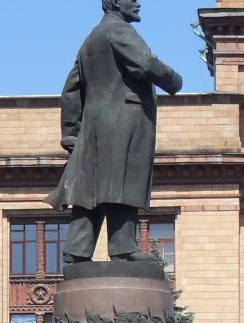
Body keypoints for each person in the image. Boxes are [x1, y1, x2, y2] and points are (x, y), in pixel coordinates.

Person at [45, 0, 184, 265]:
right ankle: (122, 246)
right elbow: (145, 63)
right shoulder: (119, 30)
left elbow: (71, 90)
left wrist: (72, 131)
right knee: (124, 181)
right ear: (116, 2)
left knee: (92, 187)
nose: (138, 3)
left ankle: (77, 248)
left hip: (95, 125)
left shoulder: (91, 40)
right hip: (124, 120)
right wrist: (174, 80)